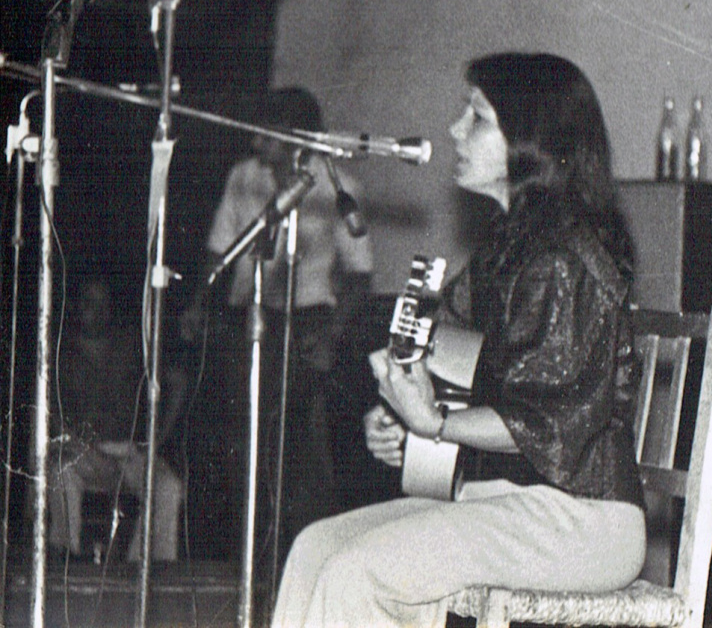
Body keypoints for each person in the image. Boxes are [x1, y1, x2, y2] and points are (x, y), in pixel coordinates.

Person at [271, 53, 647, 627]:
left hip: (581, 520)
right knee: (314, 550)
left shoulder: (567, 260)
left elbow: (547, 425)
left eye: (477, 118)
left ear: (530, 141)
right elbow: (443, 351)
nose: (454, 129)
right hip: (506, 502)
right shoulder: (507, 250)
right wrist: (398, 414)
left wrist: (434, 423)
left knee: (357, 572)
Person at [181, 85, 374, 558]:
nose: (255, 144)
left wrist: (331, 336)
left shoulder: (338, 186)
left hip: (310, 324)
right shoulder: (243, 177)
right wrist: (197, 304)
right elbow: (218, 251)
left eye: (266, 136)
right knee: (240, 443)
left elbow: (360, 276)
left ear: (296, 138)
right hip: (249, 319)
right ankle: (243, 556)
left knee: (294, 449)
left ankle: (299, 557)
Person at [47, 277, 186, 562]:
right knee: (60, 474)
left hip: (129, 453)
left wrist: (158, 439)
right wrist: (88, 452)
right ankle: (65, 561)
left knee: (169, 487)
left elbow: (178, 380)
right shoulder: (61, 351)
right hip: (81, 455)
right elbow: (51, 415)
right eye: (89, 303)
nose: (97, 311)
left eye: (103, 304)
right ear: (76, 306)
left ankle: (144, 567)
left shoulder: (131, 345)